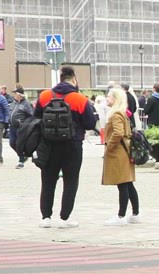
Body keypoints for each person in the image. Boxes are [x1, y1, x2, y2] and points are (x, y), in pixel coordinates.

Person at [33, 65, 98, 227]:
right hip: (72, 145)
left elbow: (36, 118)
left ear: (60, 78)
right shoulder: (80, 99)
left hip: (48, 144)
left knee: (47, 180)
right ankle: (65, 218)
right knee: (71, 181)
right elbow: (90, 124)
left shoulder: (45, 95)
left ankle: (46, 217)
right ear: (74, 79)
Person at [100, 86, 140, 225]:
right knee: (128, 183)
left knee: (122, 184)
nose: (107, 98)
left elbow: (118, 132)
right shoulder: (122, 112)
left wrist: (109, 146)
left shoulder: (116, 114)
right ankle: (135, 214)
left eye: (109, 96)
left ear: (115, 99)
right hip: (124, 150)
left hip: (118, 152)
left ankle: (121, 216)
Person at [8, 86, 33, 168]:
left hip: (21, 127)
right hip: (12, 126)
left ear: (20, 95)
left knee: (19, 144)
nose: (14, 95)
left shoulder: (26, 104)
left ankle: (21, 161)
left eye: (15, 93)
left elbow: (31, 115)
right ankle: (22, 155)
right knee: (12, 143)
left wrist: (25, 123)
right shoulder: (13, 103)